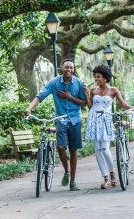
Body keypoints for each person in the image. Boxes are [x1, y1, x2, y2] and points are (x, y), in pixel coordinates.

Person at [24, 59, 87, 191]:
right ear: (61, 69)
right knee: (60, 147)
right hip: (61, 119)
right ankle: (66, 171)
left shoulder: (79, 84)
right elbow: (40, 96)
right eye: (66, 67)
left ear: (73, 70)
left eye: (71, 68)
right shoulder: (54, 83)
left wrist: (69, 97)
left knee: (73, 150)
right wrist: (29, 108)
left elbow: (84, 103)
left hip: (75, 119)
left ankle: (73, 182)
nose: (69, 70)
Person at [84, 64, 134, 189]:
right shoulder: (93, 90)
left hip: (106, 119)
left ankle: (113, 174)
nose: (95, 79)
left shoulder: (113, 90)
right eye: (95, 77)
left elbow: (124, 105)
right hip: (94, 120)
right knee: (97, 150)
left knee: (105, 149)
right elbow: (90, 107)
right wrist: (87, 94)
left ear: (105, 78)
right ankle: (105, 178)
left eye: (98, 77)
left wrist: (133, 108)